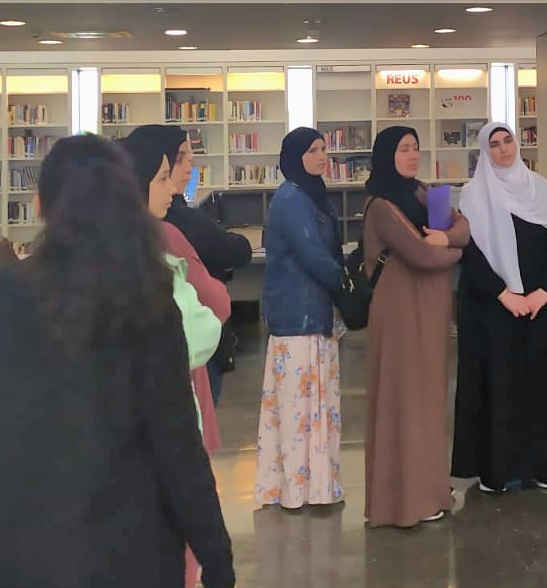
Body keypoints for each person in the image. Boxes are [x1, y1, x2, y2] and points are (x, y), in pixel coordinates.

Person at [0, 135, 240, 588]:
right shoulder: (147, 305)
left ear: (40, 205)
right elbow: (178, 451)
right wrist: (218, 567)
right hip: (120, 582)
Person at [119, 130, 231, 588]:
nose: (175, 184)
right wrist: (222, 570)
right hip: (160, 413)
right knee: (166, 527)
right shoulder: (155, 246)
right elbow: (204, 323)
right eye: (167, 173)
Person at [452, 124, 547, 494]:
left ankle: (545, 465)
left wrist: (545, 291)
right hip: (493, 309)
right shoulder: (473, 196)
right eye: (494, 144)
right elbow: (469, 253)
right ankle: (496, 469)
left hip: (539, 307)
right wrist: (503, 294)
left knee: (542, 383)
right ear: (484, 151)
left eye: (508, 141)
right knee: (498, 385)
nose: (503, 149)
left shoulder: (541, 189)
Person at [361, 125, 469, 528]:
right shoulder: (381, 205)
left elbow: (464, 226)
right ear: (386, 154)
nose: (411, 155)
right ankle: (403, 503)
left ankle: (430, 491)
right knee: (403, 402)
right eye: (403, 148)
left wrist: (448, 238)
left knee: (428, 402)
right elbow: (422, 254)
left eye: (415, 148)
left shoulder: (425, 193)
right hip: (400, 312)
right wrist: (452, 247)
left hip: (431, 309)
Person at [256, 127, 346, 510]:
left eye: (324, 148)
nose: (322, 155)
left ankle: (317, 486)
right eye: (312, 150)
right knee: (299, 411)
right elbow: (312, 254)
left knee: (315, 407)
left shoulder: (313, 195)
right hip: (298, 316)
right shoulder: (291, 199)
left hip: (314, 313)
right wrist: (348, 286)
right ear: (295, 157)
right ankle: (297, 490)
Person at [148, 124, 255, 403]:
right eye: (180, 157)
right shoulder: (176, 223)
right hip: (194, 348)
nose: (190, 164)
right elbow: (234, 255)